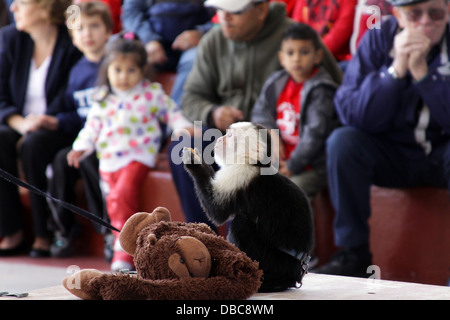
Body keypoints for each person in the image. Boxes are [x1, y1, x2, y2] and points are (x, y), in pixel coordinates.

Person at [169, 0, 342, 229]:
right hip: (225, 135)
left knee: (255, 168)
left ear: (260, 10)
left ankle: (246, 253)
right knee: (184, 147)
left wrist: (280, 133)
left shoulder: (295, 39)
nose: (224, 17)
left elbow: (335, 93)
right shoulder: (213, 40)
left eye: (234, 12)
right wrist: (212, 112)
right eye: (219, 10)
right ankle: (201, 241)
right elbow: (191, 96)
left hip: (279, 143)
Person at [314, 0, 450, 277]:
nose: (425, 22)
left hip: (442, 153)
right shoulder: (377, 39)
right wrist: (395, 70)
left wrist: (423, 74)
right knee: (343, 142)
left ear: (448, 10)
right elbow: (352, 113)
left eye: (435, 13)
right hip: (392, 156)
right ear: (399, 16)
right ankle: (354, 254)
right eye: (414, 14)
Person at [67, 32, 192, 271]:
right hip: (108, 160)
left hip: (138, 155)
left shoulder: (151, 93)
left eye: (131, 70)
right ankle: (127, 242)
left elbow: (172, 113)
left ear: (143, 70)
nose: (123, 77)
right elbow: (91, 126)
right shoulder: (102, 97)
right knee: (113, 202)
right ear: (107, 70)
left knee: (122, 194)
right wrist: (80, 147)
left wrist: (182, 127)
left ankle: (123, 252)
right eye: (118, 70)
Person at [0, 0, 82, 258]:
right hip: (19, 121)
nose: (13, 8)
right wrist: (21, 123)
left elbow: (70, 95)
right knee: (0, 138)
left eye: (21, 3)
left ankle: (43, 235)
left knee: (35, 144)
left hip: (58, 124)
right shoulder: (10, 38)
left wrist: (42, 120)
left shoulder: (71, 42)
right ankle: (11, 230)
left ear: (46, 6)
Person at [48, 1, 113, 258]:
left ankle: (107, 232)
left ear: (108, 30)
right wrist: (55, 121)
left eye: (94, 26)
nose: (87, 33)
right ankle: (63, 231)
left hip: (111, 141)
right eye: (80, 29)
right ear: (73, 38)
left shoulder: (117, 63)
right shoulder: (76, 72)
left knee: (88, 160)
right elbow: (74, 114)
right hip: (84, 138)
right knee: (60, 161)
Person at [251, 23, 340, 201]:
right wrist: (271, 134)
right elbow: (260, 113)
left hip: (310, 166)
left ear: (318, 56)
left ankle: (301, 229)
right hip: (279, 162)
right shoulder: (276, 82)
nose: (297, 59)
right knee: (249, 188)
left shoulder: (321, 89)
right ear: (281, 58)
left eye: (304, 52)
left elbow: (315, 134)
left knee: (291, 196)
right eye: (290, 53)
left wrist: (292, 166)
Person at [121, 0, 215, 106]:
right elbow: (131, 13)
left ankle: (178, 115)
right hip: (151, 43)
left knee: (196, 60)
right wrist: (149, 39)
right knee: (121, 55)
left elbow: (221, 16)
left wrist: (201, 33)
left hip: (194, 45)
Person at [290, 0, 358, 65]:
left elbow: (339, 35)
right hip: (304, 53)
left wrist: (311, 55)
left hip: (334, 59)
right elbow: (296, 26)